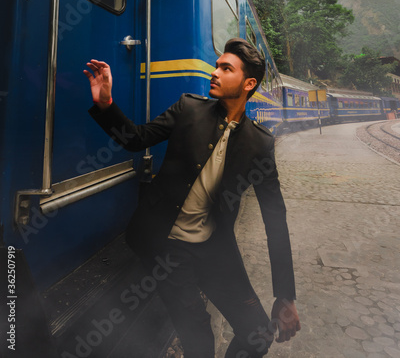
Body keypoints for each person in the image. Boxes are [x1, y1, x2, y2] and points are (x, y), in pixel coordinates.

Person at [84, 38, 300, 357]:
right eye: (217, 66)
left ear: (248, 83)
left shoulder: (260, 144)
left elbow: (275, 219)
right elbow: (136, 139)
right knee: (199, 336)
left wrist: (285, 296)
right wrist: (106, 104)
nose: (215, 72)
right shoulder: (189, 109)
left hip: (214, 246)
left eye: (226, 68)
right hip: (167, 243)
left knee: (256, 333)